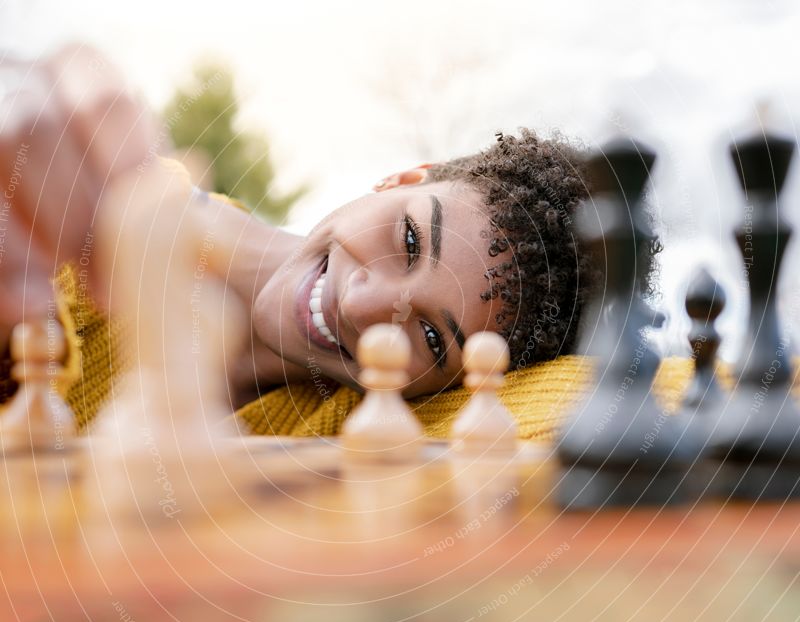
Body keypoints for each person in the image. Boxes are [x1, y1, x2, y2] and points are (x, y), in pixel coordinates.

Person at [0, 45, 652, 423]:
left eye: (430, 335)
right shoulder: (86, 219)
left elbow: (653, 397)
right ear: (401, 179)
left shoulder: (358, 423)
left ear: (450, 386)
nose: (364, 304)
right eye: (408, 241)